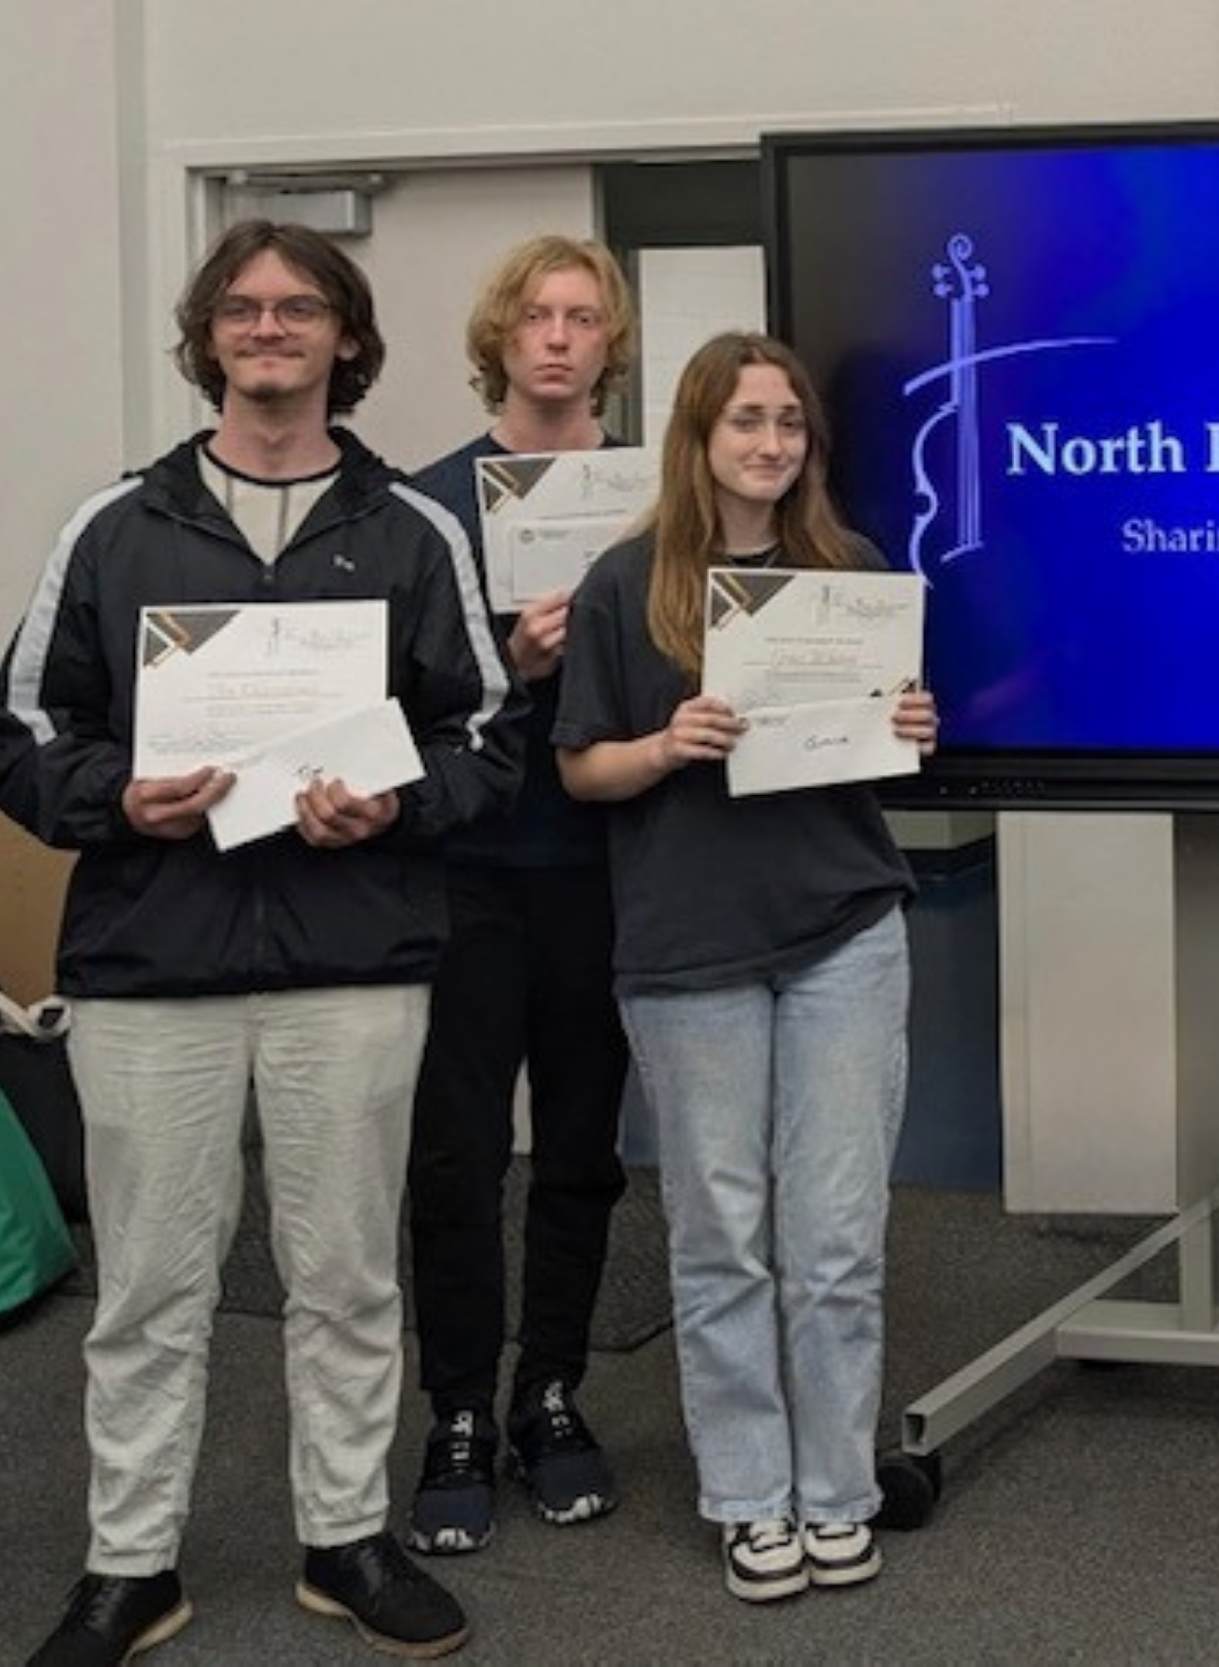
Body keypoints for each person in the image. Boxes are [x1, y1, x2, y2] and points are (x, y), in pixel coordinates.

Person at [0, 220, 525, 1663]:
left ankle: (345, 1534)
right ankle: (130, 1562)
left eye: (300, 307)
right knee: (153, 1280)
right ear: (208, 337)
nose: (270, 327)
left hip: (352, 962)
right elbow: (29, 731)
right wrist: (120, 794)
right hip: (151, 964)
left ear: (346, 338)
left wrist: (398, 802)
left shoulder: (411, 532)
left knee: (346, 1269)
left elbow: (485, 742)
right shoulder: (113, 526)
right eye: (242, 307)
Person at [551, 331, 937, 1602]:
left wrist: (907, 727)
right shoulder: (625, 586)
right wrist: (664, 744)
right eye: (744, 423)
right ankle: (747, 1494)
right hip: (686, 946)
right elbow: (579, 769)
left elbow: (874, 754)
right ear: (699, 438)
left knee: (833, 1237)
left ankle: (835, 1489)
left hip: (842, 928)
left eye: (788, 424)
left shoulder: (852, 573)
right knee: (722, 1237)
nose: (770, 445)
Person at [404, 235, 638, 1556]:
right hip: (466, 877)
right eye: (537, 316)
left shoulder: (655, 496)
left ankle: (548, 1390)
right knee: (455, 1155)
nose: (558, 338)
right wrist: (507, 655)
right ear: (499, 336)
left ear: (611, 342)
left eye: (583, 318)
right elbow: (381, 697)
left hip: (607, 872)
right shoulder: (427, 502)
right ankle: (454, 1410)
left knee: (586, 1154)